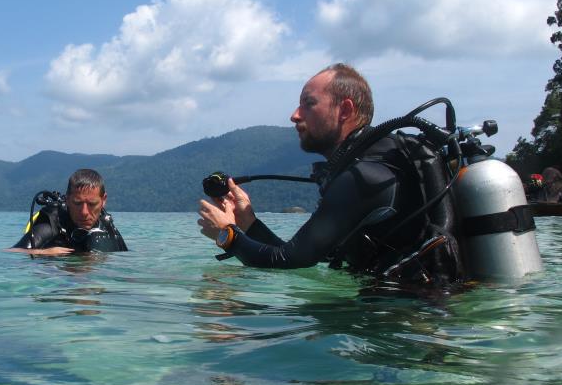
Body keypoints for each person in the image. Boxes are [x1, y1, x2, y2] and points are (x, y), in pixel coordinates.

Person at [197, 63, 461, 282]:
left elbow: (289, 260)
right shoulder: (375, 165)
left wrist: (227, 235)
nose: (294, 115)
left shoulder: (363, 177)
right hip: (419, 313)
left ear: (344, 110)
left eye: (308, 104)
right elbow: (298, 254)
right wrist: (248, 222)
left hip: (412, 321)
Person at [10, 168, 127, 255]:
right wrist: (44, 253)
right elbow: (13, 251)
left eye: (92, 204)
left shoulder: (106, 224)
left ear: (103, 200)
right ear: (68, 200)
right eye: (77, 203)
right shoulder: (52, 223)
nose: (84, 212)